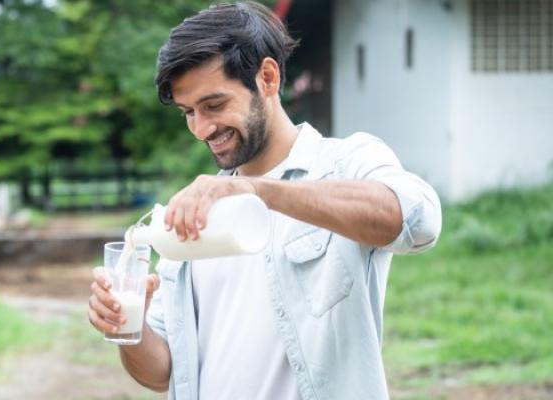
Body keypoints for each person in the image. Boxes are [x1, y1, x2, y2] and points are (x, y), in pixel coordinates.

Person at [87, 2, 442, 399]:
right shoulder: (195, 207)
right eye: (189, 112)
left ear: (268, 77)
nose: (201, 129)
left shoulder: (347, 162)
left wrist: (258, 191)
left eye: (214, 105)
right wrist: (127, 331)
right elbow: (164, 372)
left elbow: (417, 221)